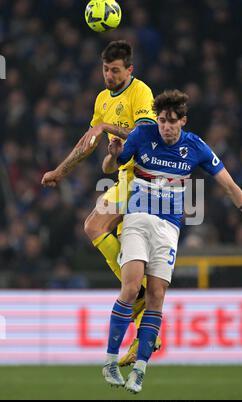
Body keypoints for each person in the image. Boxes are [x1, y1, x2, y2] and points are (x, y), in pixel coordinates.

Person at [101, 90, 242, 394]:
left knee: (157, 295)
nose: (166, 127)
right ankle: (109, 360)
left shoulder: (196, 146)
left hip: (168, 229)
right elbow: (109, 168)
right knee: (132, 287)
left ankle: (140, 370)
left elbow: (230, 186)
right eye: (161, 121)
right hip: (137, 219)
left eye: (172, 122)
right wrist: (112, 153)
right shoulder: (142, 135)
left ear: (183, 121)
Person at [41, 40, 160, 365]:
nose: (109, 75)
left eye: (116, 70)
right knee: (102, 232)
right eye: (106, 69)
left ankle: (141, 301)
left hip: (147, 179)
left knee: (100, 229)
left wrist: (107, 128)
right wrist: (60, 171)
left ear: (129, 70)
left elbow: (147, 136)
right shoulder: (102, 99)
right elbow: (93, 145)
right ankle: (145, 321)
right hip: (125, 177)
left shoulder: (141, 92)